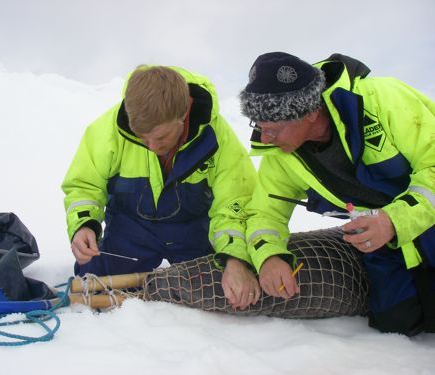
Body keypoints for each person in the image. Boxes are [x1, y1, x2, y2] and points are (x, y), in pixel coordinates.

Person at [239, 52, 434, 335]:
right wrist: (269, 257)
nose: (264, 139)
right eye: (259, 127)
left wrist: (393, 220)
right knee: (396, 325)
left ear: (309, 113)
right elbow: (264, 213)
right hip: (386, 249)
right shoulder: (280, 156)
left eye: (274, 129)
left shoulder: (382, 99)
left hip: (426, 223)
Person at [62, 65, 260, 309]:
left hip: (193, 231)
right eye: (143, 139)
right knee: (92, 283)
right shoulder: (108, 129)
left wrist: (235, 258)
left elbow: (235, 201)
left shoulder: (217, 136)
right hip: (131, 229)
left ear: (184, 112)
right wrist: (84, 225)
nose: (153, 146)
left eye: (161, 138)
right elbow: (84, 185)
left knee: (230, 292)